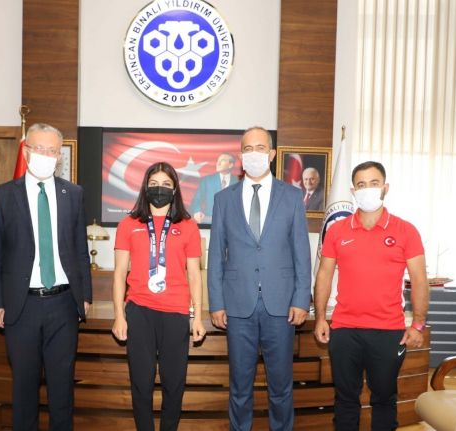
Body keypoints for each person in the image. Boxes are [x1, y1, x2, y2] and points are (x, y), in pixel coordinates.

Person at [0, 123, 92, 431]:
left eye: (52, 150)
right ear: (26, 151)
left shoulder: (73, 194)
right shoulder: (4, 195)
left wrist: (85, 296)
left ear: (59, 156)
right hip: (22, 306)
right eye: (39, 148)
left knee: (62, 389)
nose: (46, 155)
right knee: (24, 388)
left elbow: (80, 250)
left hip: (64, 304)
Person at [208, 126, 311, 430]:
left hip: (281, 306)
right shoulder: (223, 199)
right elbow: (216, 255)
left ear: (272, 154)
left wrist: (301, 299)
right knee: (240, 388)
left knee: (281, 388)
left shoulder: (292, 196)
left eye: (260, 148)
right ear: (241, 155)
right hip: (237, 306)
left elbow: (301, 252)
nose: (254, 154)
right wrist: (216, 302)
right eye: (248, 149)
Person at [313, 161, 428, 431]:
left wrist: (418, 324)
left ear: (385, 188)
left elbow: (420, 280)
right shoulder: (337, 231)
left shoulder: (406, 230)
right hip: (344, 330)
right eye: (361, 185)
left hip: (388, 332)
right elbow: (324, 275)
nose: (368, 189)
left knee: (384, 399)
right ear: (353, 191)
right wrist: (320, 318)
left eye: (374, 183)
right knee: (345, 400)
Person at [112, 162, 207, 431]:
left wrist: (197, 317)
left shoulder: (188, 225)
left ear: (175, 189)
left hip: (176, 313)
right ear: (145, 187)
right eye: (154, 184)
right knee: (141, 383)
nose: (159, 189)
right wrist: (119, 316)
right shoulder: (128, 224)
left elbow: (195, 275)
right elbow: (119, 274)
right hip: (139, 311)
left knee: (173, 384)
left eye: (166, 184)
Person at [190, 152, 238, 223]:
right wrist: (197, 211)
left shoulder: (238, 182)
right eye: (218, 161)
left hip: (232, 223)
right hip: (209, 223)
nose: (218, 163)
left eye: (222, 160)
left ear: (230, 165)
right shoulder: (207, 181)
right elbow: (196, 200)